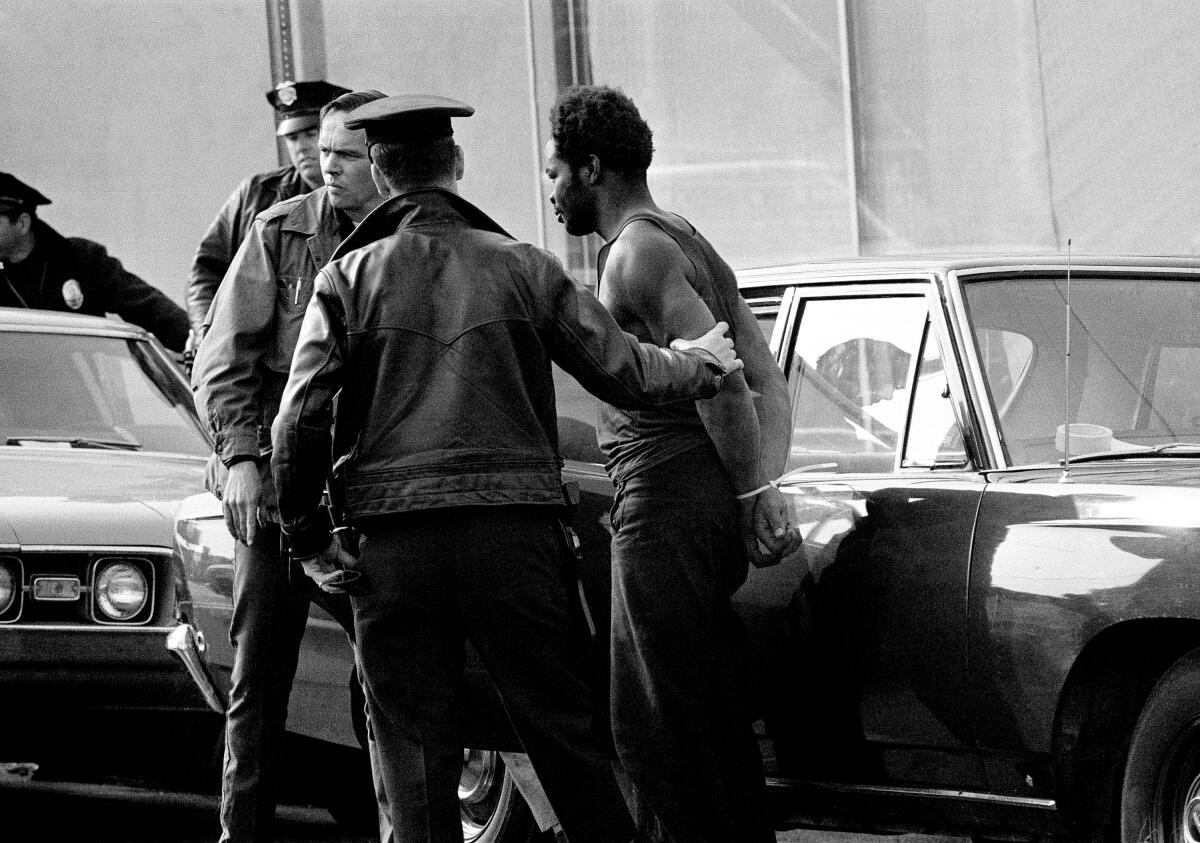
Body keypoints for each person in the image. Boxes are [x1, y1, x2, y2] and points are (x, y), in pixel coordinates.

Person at [269, 94, 742, 843]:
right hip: (513, 545)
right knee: (571, 750)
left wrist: (307, 536)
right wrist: (698, 365)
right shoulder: (522, 264)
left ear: (383, 177)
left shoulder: (344, 278)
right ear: (456, 166)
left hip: (391, 549)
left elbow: (298, 419)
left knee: (417, 774)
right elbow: (621, 369)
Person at [544, 84, 802, 842]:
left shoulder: (634, 255)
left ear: (591, 168)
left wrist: (756, 490)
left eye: (555, 173)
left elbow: (722, 373)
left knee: (653, 730)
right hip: (699, 506)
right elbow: (769, 373)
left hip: (662, 511)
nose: (552, 192)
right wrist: (754, 487)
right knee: (709, 718)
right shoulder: (685, 236)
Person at [191, 88, 388, 843]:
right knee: (260, 679)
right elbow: (223, 358)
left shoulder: (403, 240)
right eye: (320, 149)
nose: (322, 166)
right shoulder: (278, 233)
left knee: (392, 675)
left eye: (342, 153)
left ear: (384, 161)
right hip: (276, 494)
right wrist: (240, 459)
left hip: (368, 495)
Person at [186, 79, 351, 338]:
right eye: (292, 137)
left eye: (310, 134)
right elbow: (206, 270)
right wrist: (206, 333)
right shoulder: (256, 194)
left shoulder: (361, 197)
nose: (302, 147)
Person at [0, 172, 188, 352]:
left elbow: (147, 308)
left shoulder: (79, 259)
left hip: (81, 382)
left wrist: (198, 342)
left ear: (23, 223)